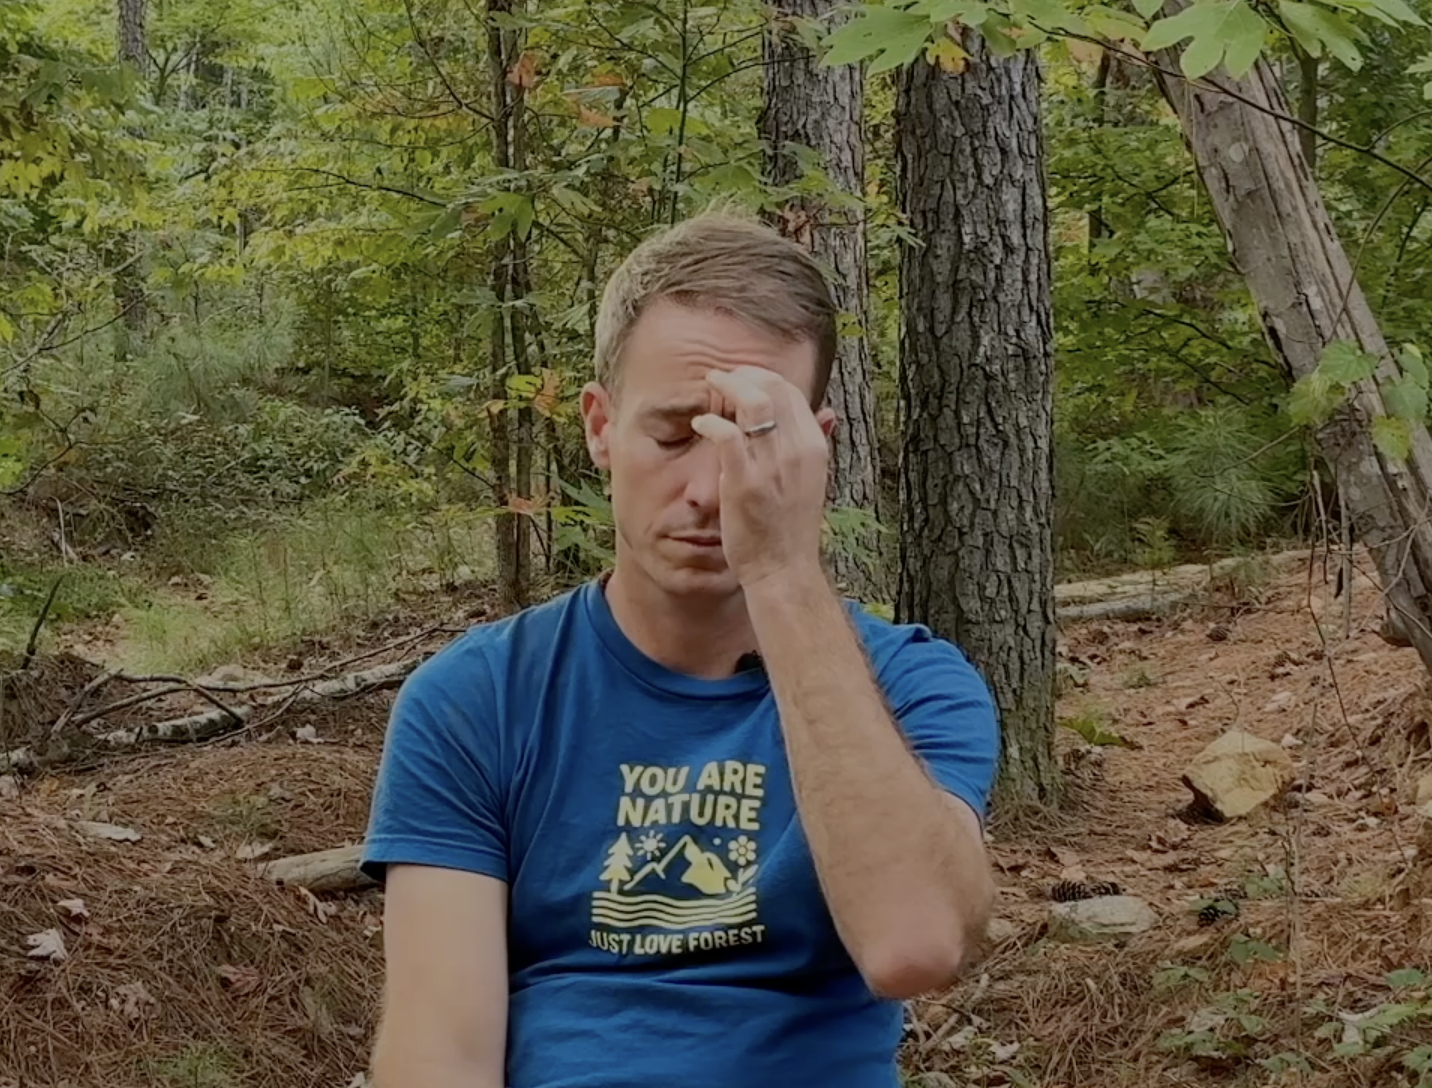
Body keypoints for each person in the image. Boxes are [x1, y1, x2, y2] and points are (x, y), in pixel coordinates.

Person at [360, 211, 1002, 1088]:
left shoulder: (910, 685)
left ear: (819, 446)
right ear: (598, 427)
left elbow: (915, 946)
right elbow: (440, 1055)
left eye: (752, 442)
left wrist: (780, 571)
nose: (709, 490)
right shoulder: (476, 699)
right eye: (672, 436)